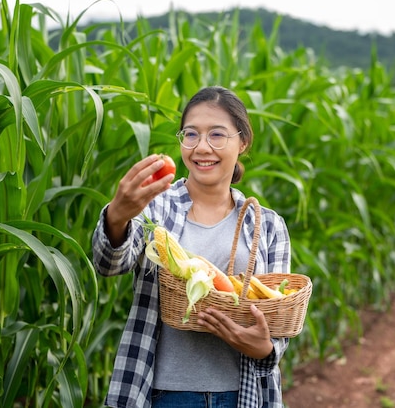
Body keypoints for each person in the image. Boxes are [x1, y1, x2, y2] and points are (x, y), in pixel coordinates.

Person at [92, 86, 292, 408]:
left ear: (242, 142)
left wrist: (262, 348)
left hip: (243, 396)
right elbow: (109, 263)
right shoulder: (155, 208)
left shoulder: (267, 225)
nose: (202, 147)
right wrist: (117, 216)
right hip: (162, 394)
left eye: (217, 135)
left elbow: (279, 323)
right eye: (191, 134)